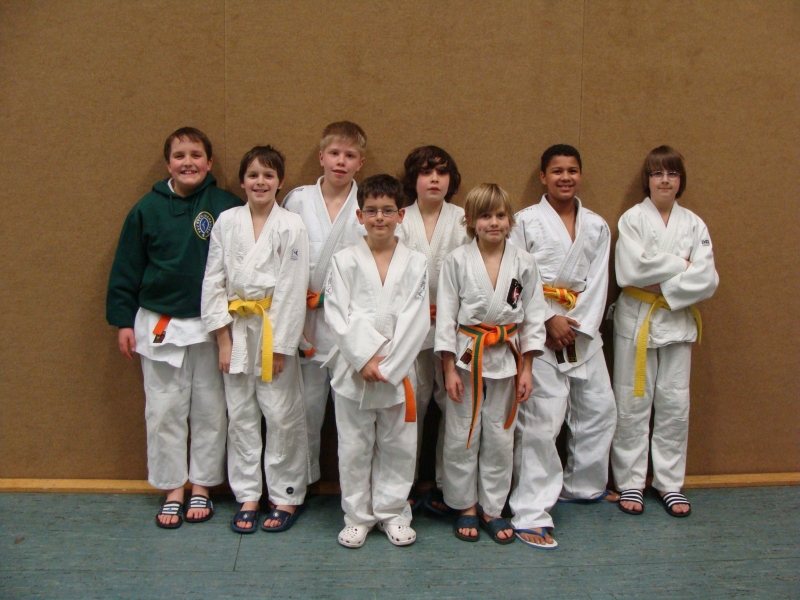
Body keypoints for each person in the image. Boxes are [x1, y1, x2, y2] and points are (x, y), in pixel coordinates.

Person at [106, 127, 242, 528]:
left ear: (210, 162)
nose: (188, 162)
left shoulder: (226, 206)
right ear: (168, 164)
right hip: (160, 324)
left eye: (196, 155)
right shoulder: (147, 209)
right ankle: (172, 488)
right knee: (164, 410)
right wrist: (123, 320)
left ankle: (202, 485)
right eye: (179, 156)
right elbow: (127, 266)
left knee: (211, 409)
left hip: (213, 326)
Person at [508, 144, 618, 549]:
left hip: (582, 331)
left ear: (580, 175)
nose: (565, 177)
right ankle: (530, 510)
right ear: (543, 177)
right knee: (541, 422)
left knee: (600, 410)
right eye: (557, 171)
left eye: (572, 170)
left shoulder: (597, 226)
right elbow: (514, 278)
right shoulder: (524, 222)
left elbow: (599, 281)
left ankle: (582, 486)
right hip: (539, 332)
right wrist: (546, 321)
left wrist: (577, 326)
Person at [201, 145, 310, 533]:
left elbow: (293, 289)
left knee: (280, 414)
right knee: (240, 415)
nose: (260, 182)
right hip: (235, 327)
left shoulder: (291, 225)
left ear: (280, 182)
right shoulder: (227, 221)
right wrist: (222, 340)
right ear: (242, 181)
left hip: (271, 329)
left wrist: (280, 346)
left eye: (268, 175)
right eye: (253, 175)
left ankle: (285, 493)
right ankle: (247, 493)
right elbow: (213, 280)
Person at [610, 146, 718, 518]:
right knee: (632, 401)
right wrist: (680, 264)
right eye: (657, 173)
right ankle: (630, 481)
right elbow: (630, 271)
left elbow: (707, 279)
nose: (665, 180)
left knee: (674, 404)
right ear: (648, 180)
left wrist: (663, 280)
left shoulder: (694, 224)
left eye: (672, 173)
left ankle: (669, 483)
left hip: (676, 320)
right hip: (637, 319)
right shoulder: (632, 219)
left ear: (680, 180)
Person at [323, 174, 430, 548]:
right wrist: (364, 358)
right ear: (359, 215)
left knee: (398, 446)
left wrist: (390, 365)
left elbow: (417, 318)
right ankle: (356, 516)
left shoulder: (416, 262)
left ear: (401, 215)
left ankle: (394, 512)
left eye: (387, 210)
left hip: (397, 371)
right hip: (354, 371)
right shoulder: (343, 260)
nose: (379, 217)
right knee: (353, 447)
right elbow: (337, 314)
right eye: (371, 211)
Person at [435, 184, 547, 544]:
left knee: (500, 436)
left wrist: (527, 368)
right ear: (470, 221)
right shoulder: (456, 260)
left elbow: (534, 317)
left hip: (507, 357)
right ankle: (465, 505)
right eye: (485, 216)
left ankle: (493, 508)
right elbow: (446, 317)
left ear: (510, 219)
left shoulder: (524, 262)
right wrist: (448, 368)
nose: (494, 223)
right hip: (467, 357)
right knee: (462, 433)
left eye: (500, 215)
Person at [282, 121, 366, 486]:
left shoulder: (367, 204)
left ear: (360, 162)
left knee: (354, 418)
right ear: (321, 157)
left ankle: (356, 493)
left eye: (349, 155)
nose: (341, 161)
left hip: (349, 321)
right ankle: (295, 487)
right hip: (304, 322)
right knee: (303, 410)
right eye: (334, 153)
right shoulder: (298, 200)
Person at [396, 145, 469, 514]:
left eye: (442, 172)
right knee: (412, 405)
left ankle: (448, 484)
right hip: (408, 328)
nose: (434, 179)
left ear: (451, 180)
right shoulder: (399, 217)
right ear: (414, 179)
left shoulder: (463, 219)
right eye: (426, 172)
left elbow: (479, 270)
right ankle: (404, 482)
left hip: (454, 327)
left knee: (454, 406)